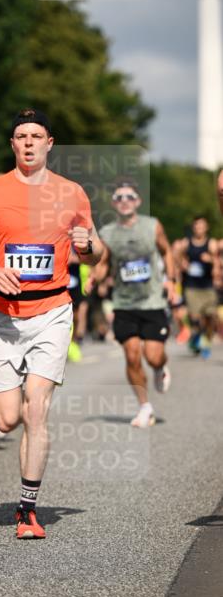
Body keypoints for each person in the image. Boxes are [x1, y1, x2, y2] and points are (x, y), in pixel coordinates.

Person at [0, 109, 103, 539]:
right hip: (2, 315)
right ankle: (9, 414)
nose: (28, 143)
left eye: (36, 136)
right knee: (6, 420)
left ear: (49, 143)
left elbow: (95, 252)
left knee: (36, 409)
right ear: (12, 145)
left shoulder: (71, 193)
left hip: (53, 311)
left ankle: (27, 510)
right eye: (21, 136)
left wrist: (88, 245)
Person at [88, 180, 176, 428]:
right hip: (124, 304)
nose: (124, 200)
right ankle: (144, 406)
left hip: (152, 301)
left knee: (153, 356)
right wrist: (95, 278)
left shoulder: (152, 226)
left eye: (129, 196)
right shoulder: (107, 233)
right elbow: (104, 263)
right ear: (114, 204)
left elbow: (167, 251)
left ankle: (161, 368)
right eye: (119, 197)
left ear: (137, 201)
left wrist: (171, 281)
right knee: (132, 356)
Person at [174, 216, 221, 359]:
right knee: (195, 317)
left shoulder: (211, 244)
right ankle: (197, 338)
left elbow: (217, 262)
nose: (199, 228)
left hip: (207, 285)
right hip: (191, 285)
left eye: (202, 226)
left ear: (206, 228)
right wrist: (182, 264)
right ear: (193, 228)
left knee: (211, 316)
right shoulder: (186, 243)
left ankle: (204, 340)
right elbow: (176, 257)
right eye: (196, 226)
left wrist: (212, 263)